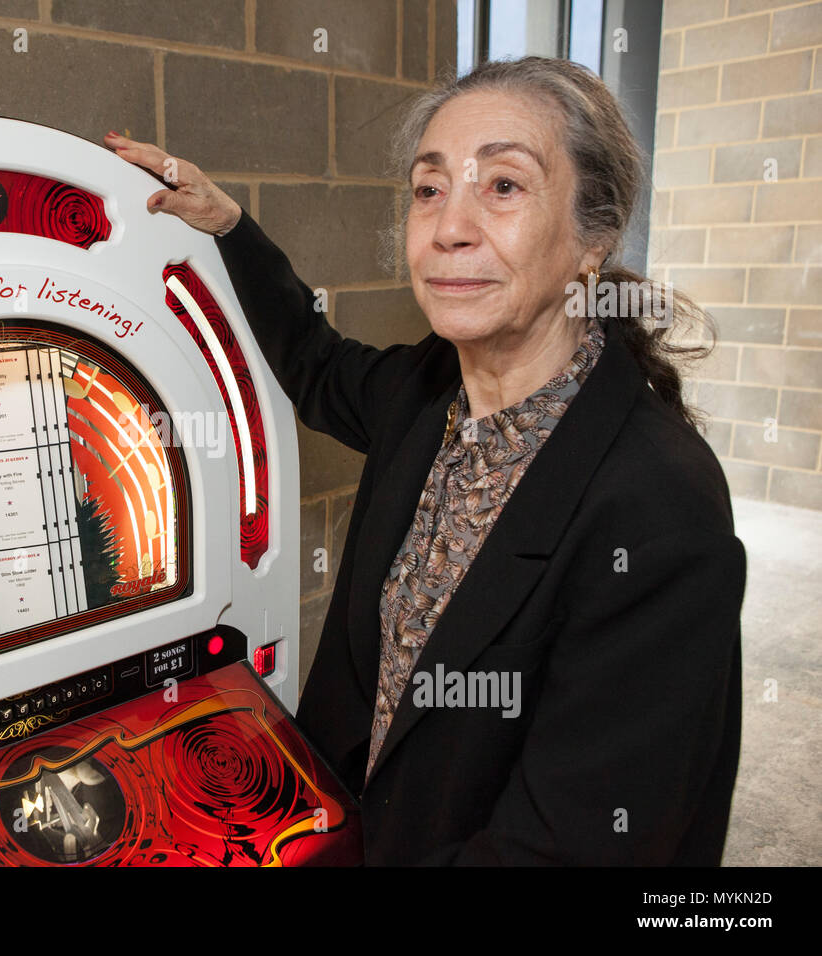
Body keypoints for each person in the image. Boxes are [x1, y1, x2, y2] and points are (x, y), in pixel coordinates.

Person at [105, 55, 745, 866]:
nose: (449, 227)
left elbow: (569, 847)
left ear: (595, 237)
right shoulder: (423, 393)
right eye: (429, 188)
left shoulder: (659, 508)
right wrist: (231, 226)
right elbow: (314, 360)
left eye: (504, 187)